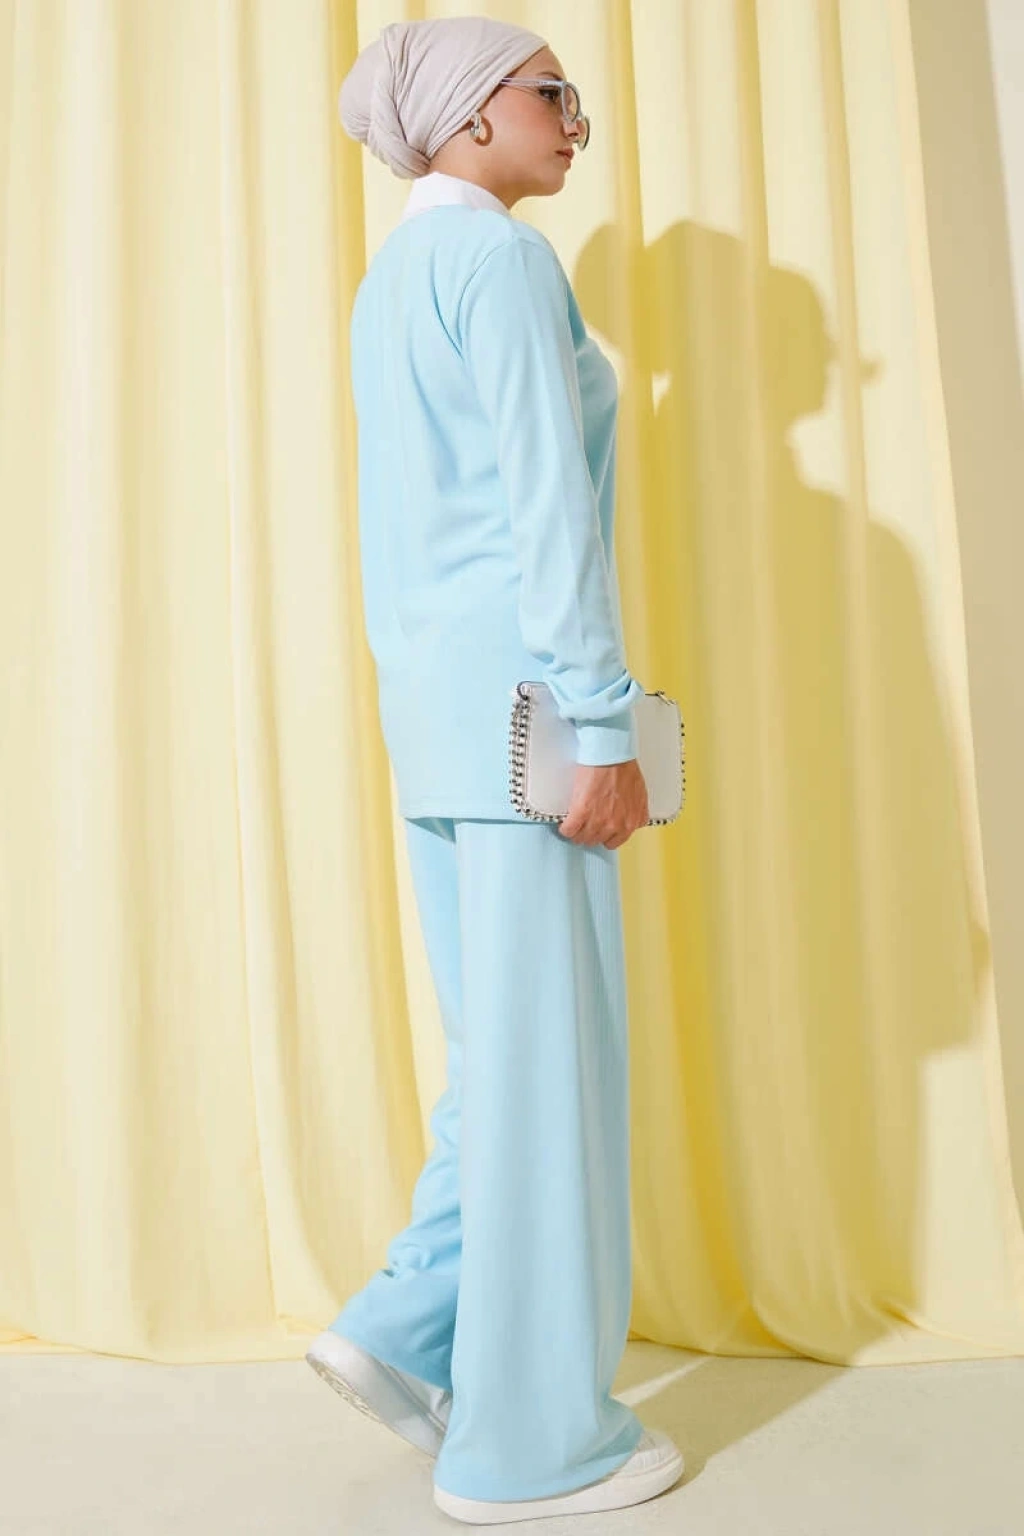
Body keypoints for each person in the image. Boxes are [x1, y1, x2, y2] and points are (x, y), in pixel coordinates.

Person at [305, 15, 685, 1524]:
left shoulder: (392, 279)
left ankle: (402, 1329)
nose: (576, 119)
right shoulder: (503, 265)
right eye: (552, 94)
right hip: (533, 719)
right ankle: (529, 1447)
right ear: (471, 114)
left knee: (504, 1060)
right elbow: (548, 511)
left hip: (439, 718)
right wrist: (602, 720)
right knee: (554, 1082)